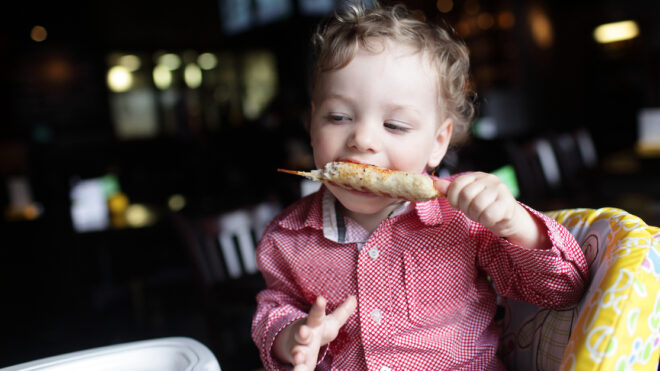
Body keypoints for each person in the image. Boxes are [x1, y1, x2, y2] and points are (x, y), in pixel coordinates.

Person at [251, 2, 588, 370]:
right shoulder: (285, 239)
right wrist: (292, 336)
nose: (362, 139)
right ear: (312, 124)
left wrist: (515, 225)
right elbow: (274, 309)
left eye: (395, 125)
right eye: (338, 117)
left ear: (438, 142)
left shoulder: (463, 217)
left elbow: (564, 291)